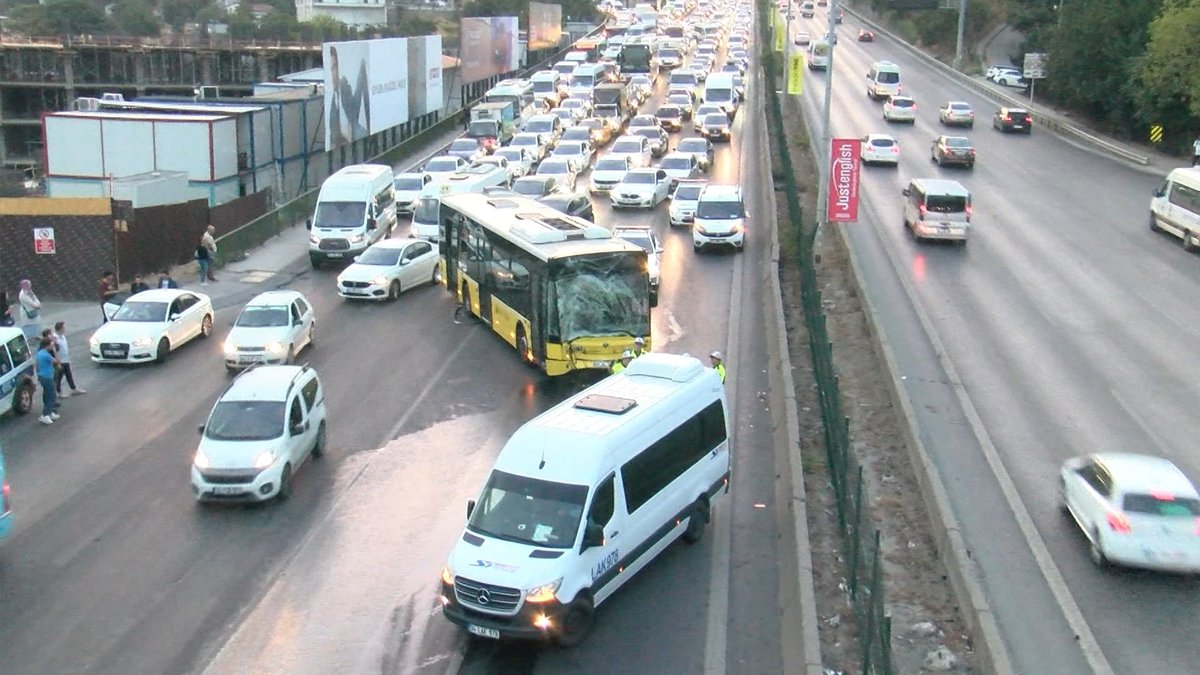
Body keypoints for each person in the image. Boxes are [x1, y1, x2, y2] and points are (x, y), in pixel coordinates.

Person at [53, 321, 85, 398]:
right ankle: (58, 392)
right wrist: (57, 362)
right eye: (64, 327)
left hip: (65, 360)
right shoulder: (54, 338)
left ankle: (74, 389)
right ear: (60, 329)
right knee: (58, 378)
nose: (65, 329)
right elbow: (54, 351)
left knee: (69, 375)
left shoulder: (62, 336)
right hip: (60, 361)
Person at [35, 336, 60, 425]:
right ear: (47, 345)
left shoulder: (40, 353)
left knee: (47, 394)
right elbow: (56, 361)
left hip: (42, 376)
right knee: (51, 396)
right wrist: (54, 351)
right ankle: (45, 415)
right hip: (48, 377)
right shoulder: (46, 355)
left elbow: (37, 366)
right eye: (51, 344)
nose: (52, 345)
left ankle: (49, 412)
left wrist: (38, 374)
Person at [18, 279, 42, 343]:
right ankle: (27, 339)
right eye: (29, 285)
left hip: (32, 310)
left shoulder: (28, 292)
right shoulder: (23, 295)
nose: (30, 286)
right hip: (28, 312)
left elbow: (35, 300)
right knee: (28, 325)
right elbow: (34, 304)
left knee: (36, 322)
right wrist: (38, 305)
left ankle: (35, 335)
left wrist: (35, 299)